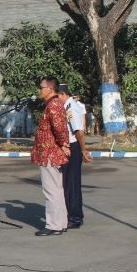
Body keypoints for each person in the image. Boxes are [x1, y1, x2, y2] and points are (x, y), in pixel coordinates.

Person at [31, 77, 70, 236]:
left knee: (51, 191)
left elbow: (59, 129)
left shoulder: (53, 105)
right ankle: (60, 223)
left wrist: (64, 144)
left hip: (50, 154)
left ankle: (54, 225)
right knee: (57, 190)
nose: (39, 90)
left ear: (50, 89)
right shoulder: (53, 104)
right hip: (51, 153)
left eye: (41, 87)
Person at [58, 84, 92, 229]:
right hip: (73, 146)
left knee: (71, 184)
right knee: (69, 183)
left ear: (62, 94)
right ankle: (74, 215)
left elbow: (79, 131)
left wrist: (83, 150)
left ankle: (75, 218)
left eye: (56, 96)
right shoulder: (72, 105)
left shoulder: (70, 107)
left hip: (74, 147)